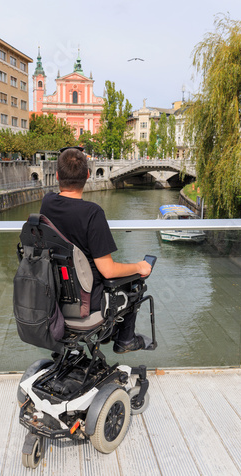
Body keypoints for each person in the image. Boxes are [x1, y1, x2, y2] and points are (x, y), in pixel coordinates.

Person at [40, 147, 152, 353]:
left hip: (54, 295)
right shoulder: (93, 213)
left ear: (56, 176)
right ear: (88, 175)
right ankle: (124, 339)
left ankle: (108, 337)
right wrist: (139, 266)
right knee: (136, 282)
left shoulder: (47, 203)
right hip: (88, 301)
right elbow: (108, 271)